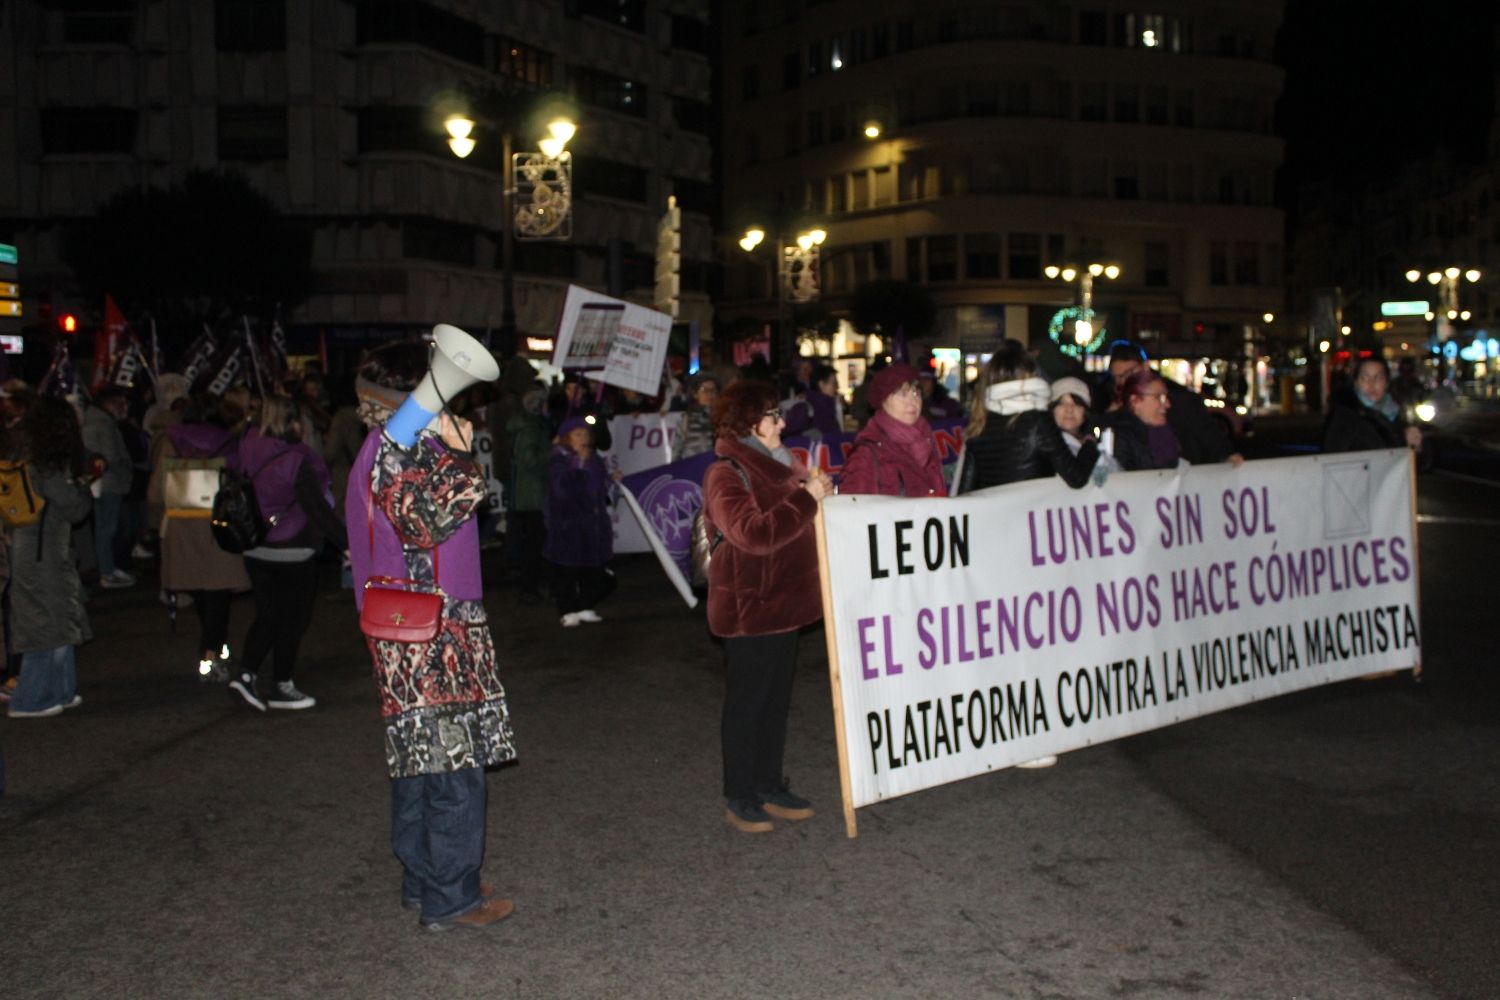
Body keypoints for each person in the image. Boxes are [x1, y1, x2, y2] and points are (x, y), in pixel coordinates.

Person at [346, 340, 517, 931]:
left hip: (418, 627)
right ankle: (453, 896)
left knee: (422, 763)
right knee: (454, 767)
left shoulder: (390, 445)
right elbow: (426, 522)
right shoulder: (395, 449)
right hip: (432, 634)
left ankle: (428, 879)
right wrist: (463, 458)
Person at [702, 380, 832, 833]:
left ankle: (769, 783)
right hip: (749, 608)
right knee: (747, 703)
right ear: (748, 425)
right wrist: (806, 498)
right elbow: (753, 535)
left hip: (786, 603)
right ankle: (740, 794)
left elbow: (797, 527)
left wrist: (818, 497)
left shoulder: (786, 466)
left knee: (776, 701)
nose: (782, 422)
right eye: (773, 415)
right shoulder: (726, 472)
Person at [227, 395, 346, 712]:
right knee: (293, 619)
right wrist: (347, 543)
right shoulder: (297, 457)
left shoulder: (247, 447)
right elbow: (316, 507)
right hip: (293, 547)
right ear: (295, 422)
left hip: (256, 545)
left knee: (267, 615)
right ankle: (282, 684)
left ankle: (246, 673)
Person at [148, 391, 254, 681]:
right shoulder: (228, 445)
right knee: (217, 591)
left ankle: (212, 649)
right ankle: (211, 652)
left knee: (198, 588)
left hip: (181, 524)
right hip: (218, 524)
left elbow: (155, 492)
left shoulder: (170, 441)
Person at [6, 396, 93, 718]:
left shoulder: (22, 456)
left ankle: (60, 690)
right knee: (45, 623)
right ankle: (29, 699)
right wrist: (83, 488)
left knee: (57, 618)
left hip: (32, 548)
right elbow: (75, 507)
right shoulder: (46, 465)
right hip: (44, 551)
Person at [959, 340, 1099, 494]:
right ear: (1030, 377)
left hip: (998, 516)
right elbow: (1076, 477)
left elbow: (966, 490)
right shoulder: (1038, 420)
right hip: (1032, 515)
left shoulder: (979, 424)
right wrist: (1090, 446)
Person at [1099, 341, 1242, 466]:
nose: (1123, 381)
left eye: (1129, 372)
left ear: (1145, 367)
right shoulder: (1112, 406)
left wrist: (1228, 456)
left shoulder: (1183, 401)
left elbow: (1211, 437)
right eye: (1118, 377)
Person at [544, 416, 618, 626]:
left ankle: (586, 605)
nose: (583, 438)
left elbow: (598, 487)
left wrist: (611, 480)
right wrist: (579, 465)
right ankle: (567, 609)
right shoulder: (559, 460)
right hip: (568, 524)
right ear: (567, 438)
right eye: (577, 434)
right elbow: (563, 489)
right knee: (567, 570)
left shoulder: (594, 459)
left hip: (591, 525)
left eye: (585, 434)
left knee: (591, 567)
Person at [838, 363, 946, 497]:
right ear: (883, 400)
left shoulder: (927, 440)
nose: (913, 401)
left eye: (916, 393)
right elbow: (852, 510)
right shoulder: (867, 453)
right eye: (903, 394)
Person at [81, 387, 136, 588]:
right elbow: (109, 457)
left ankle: (108, 568)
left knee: (107, 527)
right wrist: (124, 468)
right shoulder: (102, 425)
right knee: (108, 528)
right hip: (109, 484)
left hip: (105, 483)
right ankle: (107, 570)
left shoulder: (98, 422)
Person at [1322, 357, 1424, 453]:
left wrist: (1415, 447)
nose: (1372, 383)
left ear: (1387, 383)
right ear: (1356, 383)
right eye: (1365, 378)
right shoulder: (1346, 417)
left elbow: (1418, 465)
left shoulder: (1398, 415)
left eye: (1379, 378)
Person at [1104, 369, 1184, 471]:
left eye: (1166, 397)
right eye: (1159, 397)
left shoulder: (1172, 432)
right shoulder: (1119, 438)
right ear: (1135, 401)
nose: (1167, 404)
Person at [782, 363, 843, 438]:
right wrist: (804, 435)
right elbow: (792, 439)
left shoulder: (830, 407)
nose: (837, 387)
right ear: (821, 384)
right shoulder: (803, 408)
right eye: (834, 383)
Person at [670, 373, 719, 462]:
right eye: (704, 390)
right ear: (695, 394)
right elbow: (677, 449)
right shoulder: (686, 419)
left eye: (713, 390)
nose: (710, 394)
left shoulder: (723, 418)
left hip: (716, 470)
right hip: (692, 469)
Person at [1049, 376, 1095, 456]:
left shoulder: (1091, 446)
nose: (1069, 410)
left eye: (1077, 404)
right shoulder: (1045, 449)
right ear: (1052, 410)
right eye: (1062, 403)